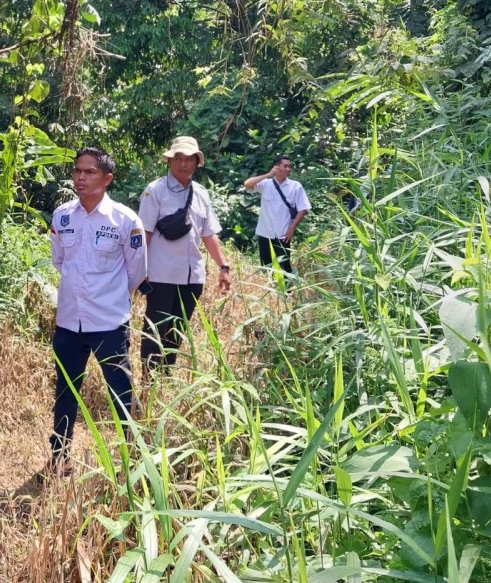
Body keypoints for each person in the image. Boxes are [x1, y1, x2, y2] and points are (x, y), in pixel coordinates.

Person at [47, 147, 147, 474]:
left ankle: (128, 463)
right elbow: (59, 261)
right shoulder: (62, 216)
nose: (80, 177)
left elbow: (137, 271)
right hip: (69, 323)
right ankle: (59, 457)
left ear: (107, 179)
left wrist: (111, 296)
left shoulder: (125, 220)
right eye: (77, 171)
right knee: (66, 392)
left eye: (89, 172)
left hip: (109, 323)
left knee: (120, 391)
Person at [137, 136, 231, 374]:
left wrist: (224, 266)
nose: (183, 164)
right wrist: (140, 269)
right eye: (178, 158)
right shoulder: (155, 190)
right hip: (161, 275)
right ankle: (150, 380)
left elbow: (209, 234)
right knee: (155, 330)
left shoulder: (201, 193)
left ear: (197, 162)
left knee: (177, 330)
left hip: (192, 278)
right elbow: (144, 233)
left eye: (189, 158)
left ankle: (166, 376)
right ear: (169, 161)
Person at [243, 156, 311, 279]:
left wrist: (292, 227)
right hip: (265, 233)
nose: (288, 169)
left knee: (284, 265)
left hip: (283, 234)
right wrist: (268, 174)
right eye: (285, 166)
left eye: (290, 166)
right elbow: (247, 184)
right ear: (277, 167)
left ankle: (287, 293)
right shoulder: (265, 184)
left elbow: (303, 209)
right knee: (266, 266)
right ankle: (270, 293)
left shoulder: (295, 186)